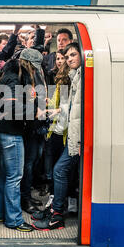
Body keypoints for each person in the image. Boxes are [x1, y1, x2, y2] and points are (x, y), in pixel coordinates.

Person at [0, 48, 46, 232]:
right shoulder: (14, 77)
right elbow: (11, 106)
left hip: (3, 131)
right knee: (15, 177)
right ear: (27, 64)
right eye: (33, 67)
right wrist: (35, 111)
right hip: (12, 133)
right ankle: (14, 220)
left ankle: (1, 214)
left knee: (4, 176)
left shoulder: (7, 73)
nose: (34, 71)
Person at [32, 42, 82, 231]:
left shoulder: (81, 78)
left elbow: (74, 110)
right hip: (69, 133)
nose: (69, 59)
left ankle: (57, 216)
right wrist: (56, 110)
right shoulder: (74, 76)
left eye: (72, 55)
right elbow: (69, 107)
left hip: (75, 137)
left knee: (60, 171)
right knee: (58, 171)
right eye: (66, 57)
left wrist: (57, 111)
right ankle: (55, 211)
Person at [20, 48, 48, 214]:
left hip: (38, 121)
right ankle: (24, 198)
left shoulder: (37, 72)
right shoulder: (23, 75)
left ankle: (27, 195)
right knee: (28, 164)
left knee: (34, 160)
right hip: (30, 123)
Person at [42, 56, 71, 204]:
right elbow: (58, 103)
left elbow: (65, 108)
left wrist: (57, 109)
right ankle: (57, 198)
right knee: (57, 168)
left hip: (62, 131)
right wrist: (49, 103)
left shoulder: (66, 85)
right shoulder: (61, 85)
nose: (59, 62)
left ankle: (58, 200)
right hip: (57, 130)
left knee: (58, 169)